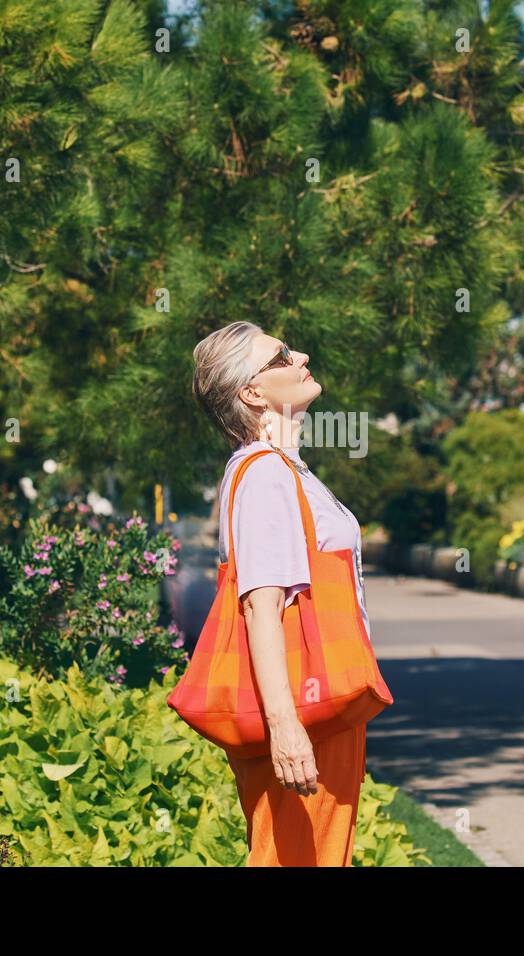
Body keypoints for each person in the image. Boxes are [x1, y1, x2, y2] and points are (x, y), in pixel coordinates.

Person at [191, 320, 372, 866]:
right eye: (283, 355)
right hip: (305, 708)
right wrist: (286, 727)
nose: (302, 356)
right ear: (252, 392)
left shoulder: (283, 471)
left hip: (319, 706)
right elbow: (260, 606)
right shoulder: (265, 473)